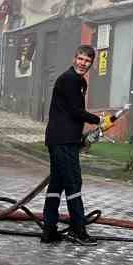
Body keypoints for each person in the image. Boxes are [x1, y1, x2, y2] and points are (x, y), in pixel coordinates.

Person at [43, 44, 111, 244]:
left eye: (88, 61)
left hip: (64, 139)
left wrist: (81, 136)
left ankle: (49, 230)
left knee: (56, 184)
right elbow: (75, 111)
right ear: (74, 59)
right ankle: (77, 231)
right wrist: (98, 120)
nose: (83, 63)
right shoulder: (69, 79)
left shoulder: (79, 81)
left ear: (91, 64)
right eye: (80, 59)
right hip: (62, 141)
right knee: (73, 183)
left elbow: (71, 113)